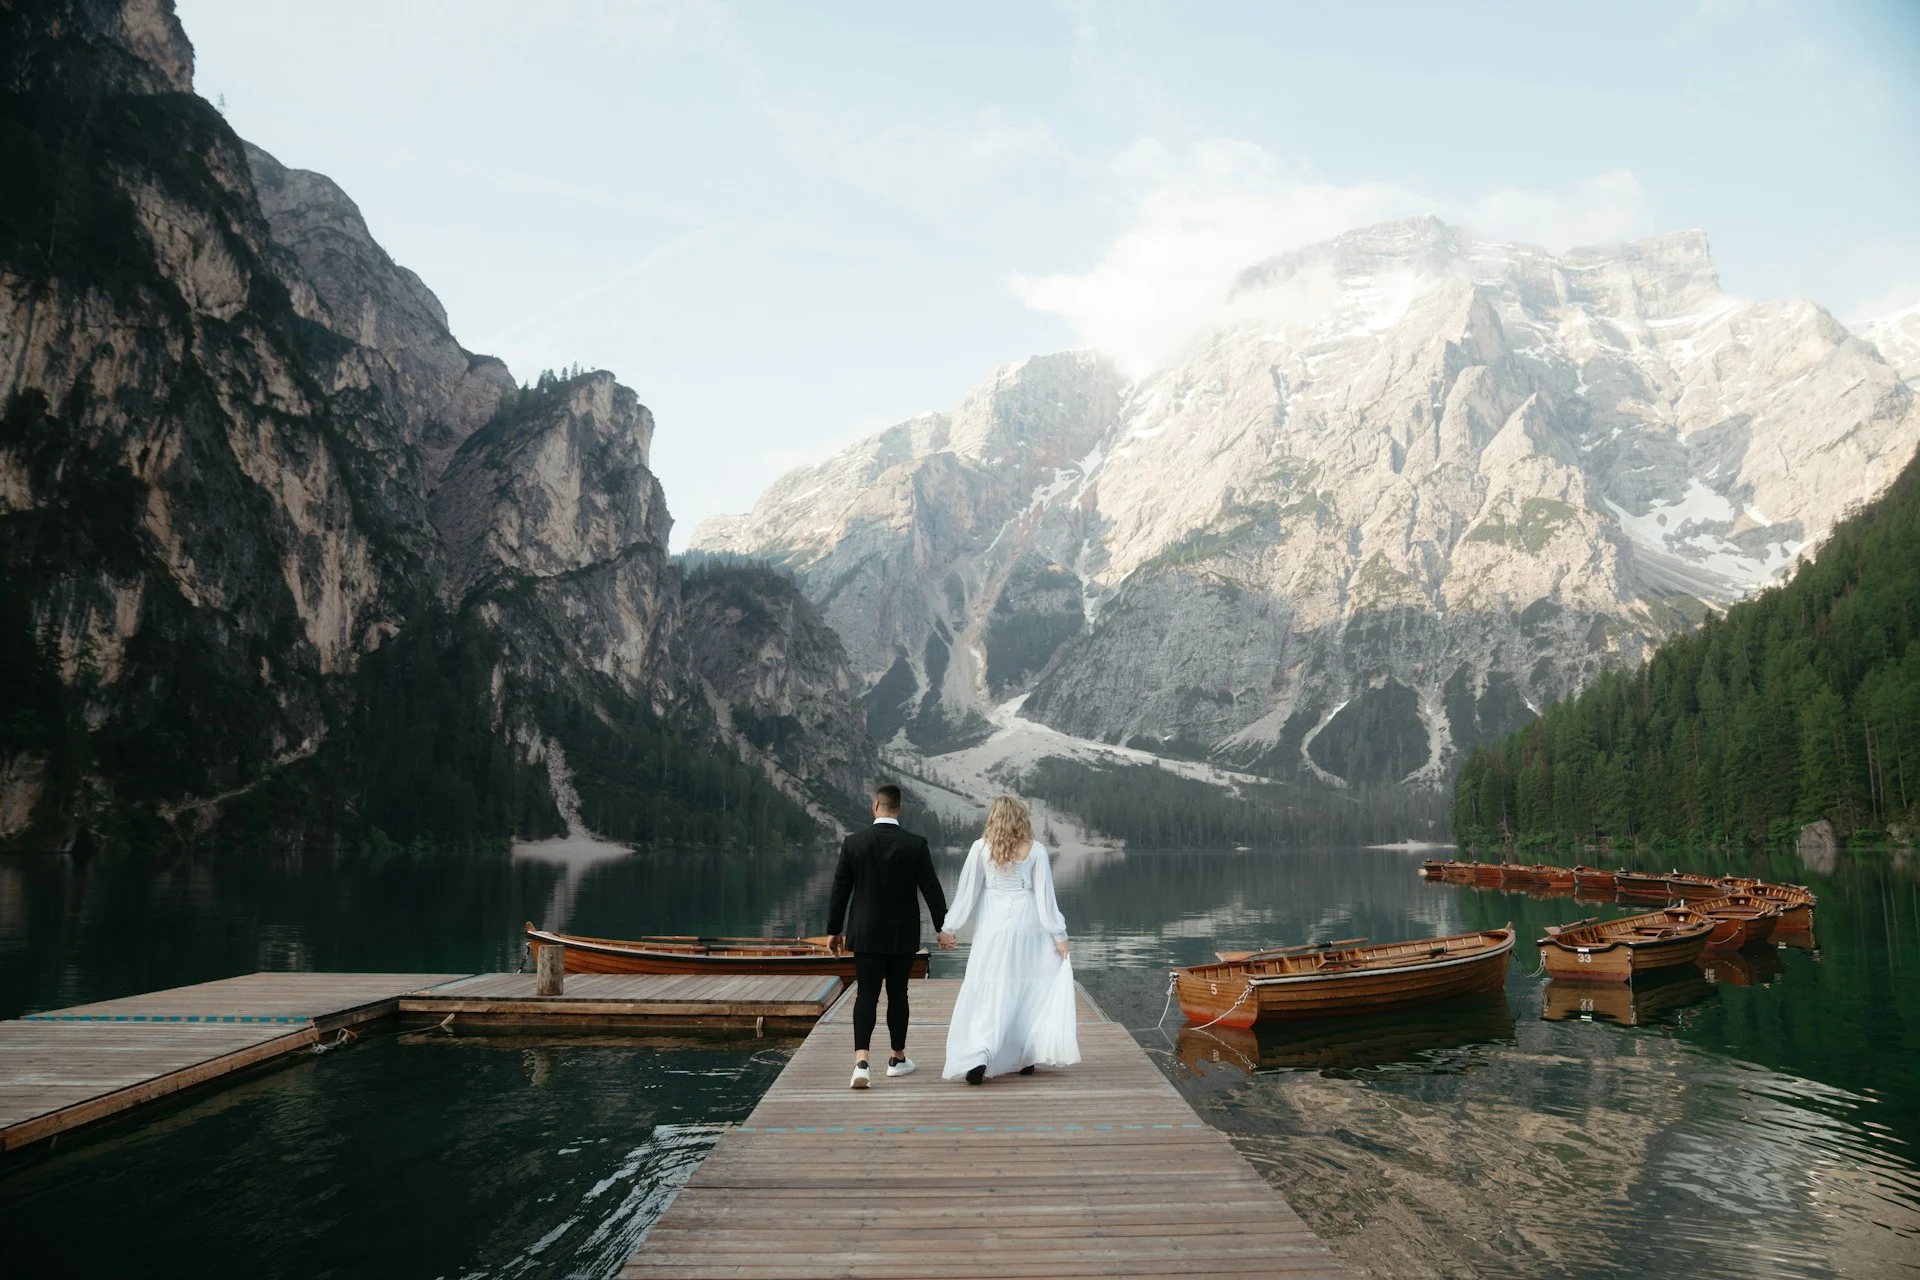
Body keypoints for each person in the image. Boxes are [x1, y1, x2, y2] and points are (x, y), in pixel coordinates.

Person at [940, 794, 1080, 1084]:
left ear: (994, 817)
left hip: (993, 927)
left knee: (990, 986)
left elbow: (968, 893)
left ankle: (980, 1054)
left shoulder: (981, 848)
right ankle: (1025, 1055)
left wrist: (949, 927)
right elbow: (1045, 898)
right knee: (1028, 988)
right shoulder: (1035, 850)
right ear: (1020, 818)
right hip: (1028, 926)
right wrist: (1059, 934)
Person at [827, 783, 950, 1090]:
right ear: (900, 808)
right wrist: (942, 927)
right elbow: (931, 888)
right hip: (902, 934)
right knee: (898, 994)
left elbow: (840, 889)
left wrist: (834, 930)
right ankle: (897, 1059)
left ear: (875, 806)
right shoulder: (915, 844)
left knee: (866, 994)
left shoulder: (854, 843)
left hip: (865, 933)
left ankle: (861, 1063)